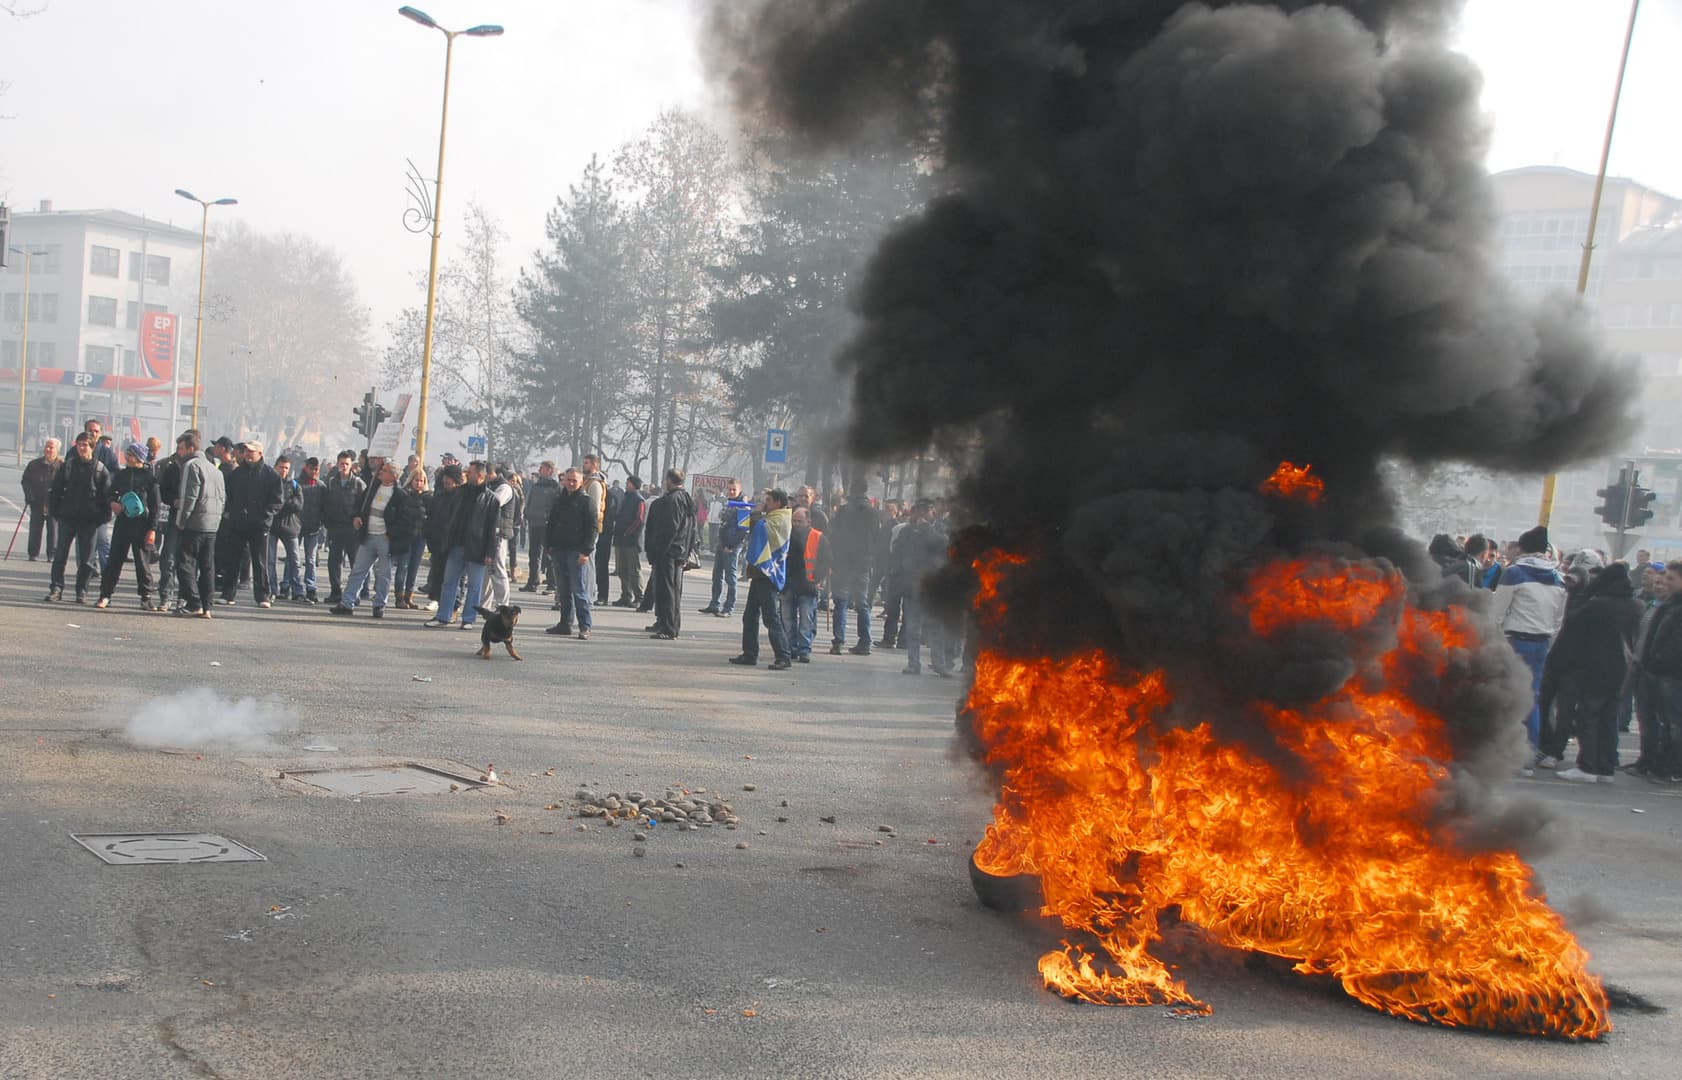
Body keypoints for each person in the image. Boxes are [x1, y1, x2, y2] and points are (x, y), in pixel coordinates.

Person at [1540, 562, 1642, 783]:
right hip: (1621, 670)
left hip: (1594, 668)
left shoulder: (1597, 605)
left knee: (1588, 716)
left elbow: (1573, 625)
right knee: (1608, 719)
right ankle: (1606, 769)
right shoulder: (1634, 605)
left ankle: (1587, 766)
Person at [1490, 525, 1567, 763]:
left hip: (1515, 641)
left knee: (1507, 697)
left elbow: (1496, 613)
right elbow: (1558, 620)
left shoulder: (1514, 573)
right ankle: (1529, 753)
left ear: (1521, 548)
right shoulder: (1558, 578)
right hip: (1542, 643)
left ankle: (1505, 752)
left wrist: (1495, 641)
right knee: (1532, 698)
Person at [332, 459, 416, 618]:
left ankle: (379, 605)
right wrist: (356, 517)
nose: (380, 472)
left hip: (385, 540)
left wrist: (392, 533)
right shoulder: (372, 489)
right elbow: (360, 505)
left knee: (384, 574)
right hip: (368, 536)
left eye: (384, 470)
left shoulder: (400, 495)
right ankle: (347, 603)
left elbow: (406, 520)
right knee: (358, 571)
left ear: (393, 476)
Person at [426, 461, 500, 631]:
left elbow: (492, 529)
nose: (466, 474)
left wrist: (490, 552)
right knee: (448, 582)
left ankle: (468, 619)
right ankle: (443, 616)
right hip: (455, 545)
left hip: (477, 549)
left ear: (480, 475)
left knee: (474, 586)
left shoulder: (491, 499)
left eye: (470, 472)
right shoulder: (459, 493)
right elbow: (447, 515)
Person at [729, 488, 794, 670]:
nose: (765, 504)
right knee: (750, 616)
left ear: (778, 503)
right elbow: (749, 527)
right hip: (759, 573)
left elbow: (761, 531)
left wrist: (757, 512)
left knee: (771, 618)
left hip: (769, 574)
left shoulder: (781, 518)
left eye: (768, 501)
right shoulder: (771, 516)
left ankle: (783, 656)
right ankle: (750, 653)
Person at [45, 433, 113, 603]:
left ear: (92, 447)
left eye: (86, 445)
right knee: (60, 555)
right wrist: (56, 512)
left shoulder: (99, 469)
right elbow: (56, 491)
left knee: (87, 559)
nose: (82, 448)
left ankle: (81, 590)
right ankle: (56, 588)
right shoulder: (67, 467)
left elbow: (107, 497)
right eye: (80, 444)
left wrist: (101, 518)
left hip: (89, 522)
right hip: (67, 518)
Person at [94, 441, 162, 610]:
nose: (127, 457)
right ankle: (105, 595)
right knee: (114, 560)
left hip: (142, 525)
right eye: (127, 454)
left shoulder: (149, 478)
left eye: (131, 455)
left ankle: (146, 597)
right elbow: (110, 493)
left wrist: (152, 529)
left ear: (139, 457)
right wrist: (113, 503)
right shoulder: (121, 475)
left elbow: (155, 506)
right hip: (123, 522)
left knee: (142, 563)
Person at [1632, 560, 1682, 784]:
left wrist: (1659, 661)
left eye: (1671, 579)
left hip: (1672, 674)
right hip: (1660, 671)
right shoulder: (1671, 604)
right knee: (1664, 721)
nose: (1665, 583)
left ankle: (1673, 768)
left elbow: (1675, 644)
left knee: (1674, 723)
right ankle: (1659, 764)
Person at [219, 441, 283, 608]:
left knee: (260, 562)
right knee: (233, 560)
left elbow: (277, 501)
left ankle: (263, 596)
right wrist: (230, 513)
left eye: (252, 451)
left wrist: (265, 517)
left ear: (260, 454)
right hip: (237, 523)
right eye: (246, 451)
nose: (248, 454)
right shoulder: (236, 474)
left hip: (259, 525)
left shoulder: (271, 475)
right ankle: (228, 594)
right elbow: (229, 496)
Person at [898, 499, 953, 676]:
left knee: (936, 627)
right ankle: (913, 663)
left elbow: (944, 546)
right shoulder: (907, 531)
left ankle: (939, 663)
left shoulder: (939, 529)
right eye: (919, 511)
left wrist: (926, 530)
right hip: (912, 586)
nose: (922, 515)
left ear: (932, 512)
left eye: (926, 511)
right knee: (913, 628)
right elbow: (897, 552)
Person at [173, 429, 225, 619]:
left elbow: (189, 496)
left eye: (181, 448)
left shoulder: (191, 466)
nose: (178, 452)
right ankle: (207, 605)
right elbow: (222, 497)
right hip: (212, 524)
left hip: (195, 523)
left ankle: (194, 602)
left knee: (183, 562)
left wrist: (181, 521)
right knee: (207, 565)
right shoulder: (214, 468)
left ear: (191, 448)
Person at [544, 467, 599, 640]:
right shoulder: (559, 500)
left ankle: (585, 626)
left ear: (581, 481)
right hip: (559, 550)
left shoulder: (586, 501)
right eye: (568, 480)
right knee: (563, 590)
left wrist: (585, 552)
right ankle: (564, 624)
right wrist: (549, 546)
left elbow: (592, 529)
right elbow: (551, 523)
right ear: (564, 480)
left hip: (576, 552)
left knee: (579, 591)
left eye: (575, 480)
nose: (571, 483)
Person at [826, 487, 880, 655]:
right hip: (862, 563)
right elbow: (877, 538)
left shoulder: (843, 512)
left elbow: (833, 536)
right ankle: (865, 642)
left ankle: (838, 642)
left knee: (841, 602)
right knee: (862, 604)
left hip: (843, 562)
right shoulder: (873, 513)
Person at [644, 468, 695, 639]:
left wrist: (658, 551)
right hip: (679, 551)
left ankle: (669, 628)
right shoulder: (686, 498)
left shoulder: (672, 500)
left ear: (669, 480)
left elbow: (670, 529)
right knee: (670, 590)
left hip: (670, 552)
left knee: (668, 591)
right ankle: (666, 623)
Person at [780, 507, 829, 663]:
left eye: (799, 521)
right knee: (787, 619)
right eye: (794, 521)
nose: (795, 524)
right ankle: (790, 648)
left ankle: (804, 649)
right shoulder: (786, 535)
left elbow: (826, 561)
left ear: (809, 521)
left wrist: (817, 579)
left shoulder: (818, 537)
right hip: (788, 584)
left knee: (806, 620)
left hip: (807, 585)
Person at [321, 451, 365, 605]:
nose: (344, 467)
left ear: (351, 465)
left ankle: (354, 593)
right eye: (341, 464)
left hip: (352, 529)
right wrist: (328, 522)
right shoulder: (331, 482)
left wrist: (358, 520)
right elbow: (325, 503)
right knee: (334, 562)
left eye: (347, 464)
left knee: (355, 563)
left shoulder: (358, 483)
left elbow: (363, 505)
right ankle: (335, 592)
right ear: (338, 463)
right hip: (335, 528)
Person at [699, 478, 746, 617]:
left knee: (730, 578)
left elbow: (743, 530)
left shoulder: (743, 506)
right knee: (717, 575)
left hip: (732, 546)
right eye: (729, 489)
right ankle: (714, 604)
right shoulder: (728, 503)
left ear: (739, 490)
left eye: (734, 490)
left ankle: (728, 608)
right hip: (722, 543)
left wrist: (731, 546)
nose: (731, 492)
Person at [421, 464, 462, 612]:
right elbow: (431, 518)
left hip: (454, 545)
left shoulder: (461, 498)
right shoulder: (439, 497)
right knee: (437, 574)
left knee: (453, 579)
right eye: (445, 478)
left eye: (449, 479)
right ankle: (435, 600)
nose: (446, 482)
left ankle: (453, 606)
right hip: (437, 543)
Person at [268, 455, 305, 602]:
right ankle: (272, 590)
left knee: (295, 561)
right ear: (275, 467)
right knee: (270, 561)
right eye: (281, 467)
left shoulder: (294, 485)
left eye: (286, 468)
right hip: (271, 527)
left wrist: (281, 503)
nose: (284, 471)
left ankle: (297, 590)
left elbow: (299, 505)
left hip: (290, 528)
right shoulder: (269, 483)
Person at [521, 461, 560, 593]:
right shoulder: (536, 486)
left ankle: (552, 583)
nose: (539, 470)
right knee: (533, 554)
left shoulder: (555, 487)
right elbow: (529, 501)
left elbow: (556, 506)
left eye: (542, 468)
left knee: (549, 556)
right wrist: (527, 513)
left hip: (547, 525)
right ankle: (532, 582)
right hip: (534, 523)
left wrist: (549, 518)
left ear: (549, 470)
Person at [585, 454, 619, 605]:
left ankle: (594, 594)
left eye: (586, 463)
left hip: (598, 530)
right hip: (597, 529)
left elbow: (594, 510)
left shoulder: (596, 485)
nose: (583, 465)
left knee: (593, 563)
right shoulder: (589, 482)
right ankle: (591, 593)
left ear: (594, 465)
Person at [395, 466, 431, 609]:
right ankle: (399, 597)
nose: (419, 483)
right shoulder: (404, 495)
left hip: (420, 537)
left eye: (421, 480)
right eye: (416, 480)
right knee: (402, 566)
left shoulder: (428, 497)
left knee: (414, 568)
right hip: (406, 536)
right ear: (411, 480)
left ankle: (409, 596)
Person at [21, 438, 61, 561]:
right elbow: (25, 481)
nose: (48, 449)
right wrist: (29, 496)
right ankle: (33, 553)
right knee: (35, 528)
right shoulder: (34, 464)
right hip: (37, 501)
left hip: (54, 504)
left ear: (57, 450)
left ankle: (52, 554)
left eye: (51, 447)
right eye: (46, 447)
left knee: (53, 529)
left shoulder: (62, 466)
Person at [613, 475, 647, 608]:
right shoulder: (625, 497)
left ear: (634, 485)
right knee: (622, 569)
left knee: (634, 570)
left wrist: (628, 532)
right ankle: (626, 595)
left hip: (631, 540)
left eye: (628, 483)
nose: (626, 485)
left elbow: (639, 520)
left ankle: (639, 596)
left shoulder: (639, 500)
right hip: (620, 538)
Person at [297, 458, 327, 603]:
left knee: (310, 560)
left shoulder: (321, 486)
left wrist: (321, 522)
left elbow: (324, 507)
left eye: (316, 470)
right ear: (306, 468)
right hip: (296, 527)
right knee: (293, 559)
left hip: (314, 527)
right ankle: (290, 585)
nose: (314, 472)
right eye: (311, 469)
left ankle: (311, 587)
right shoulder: (297, 484)